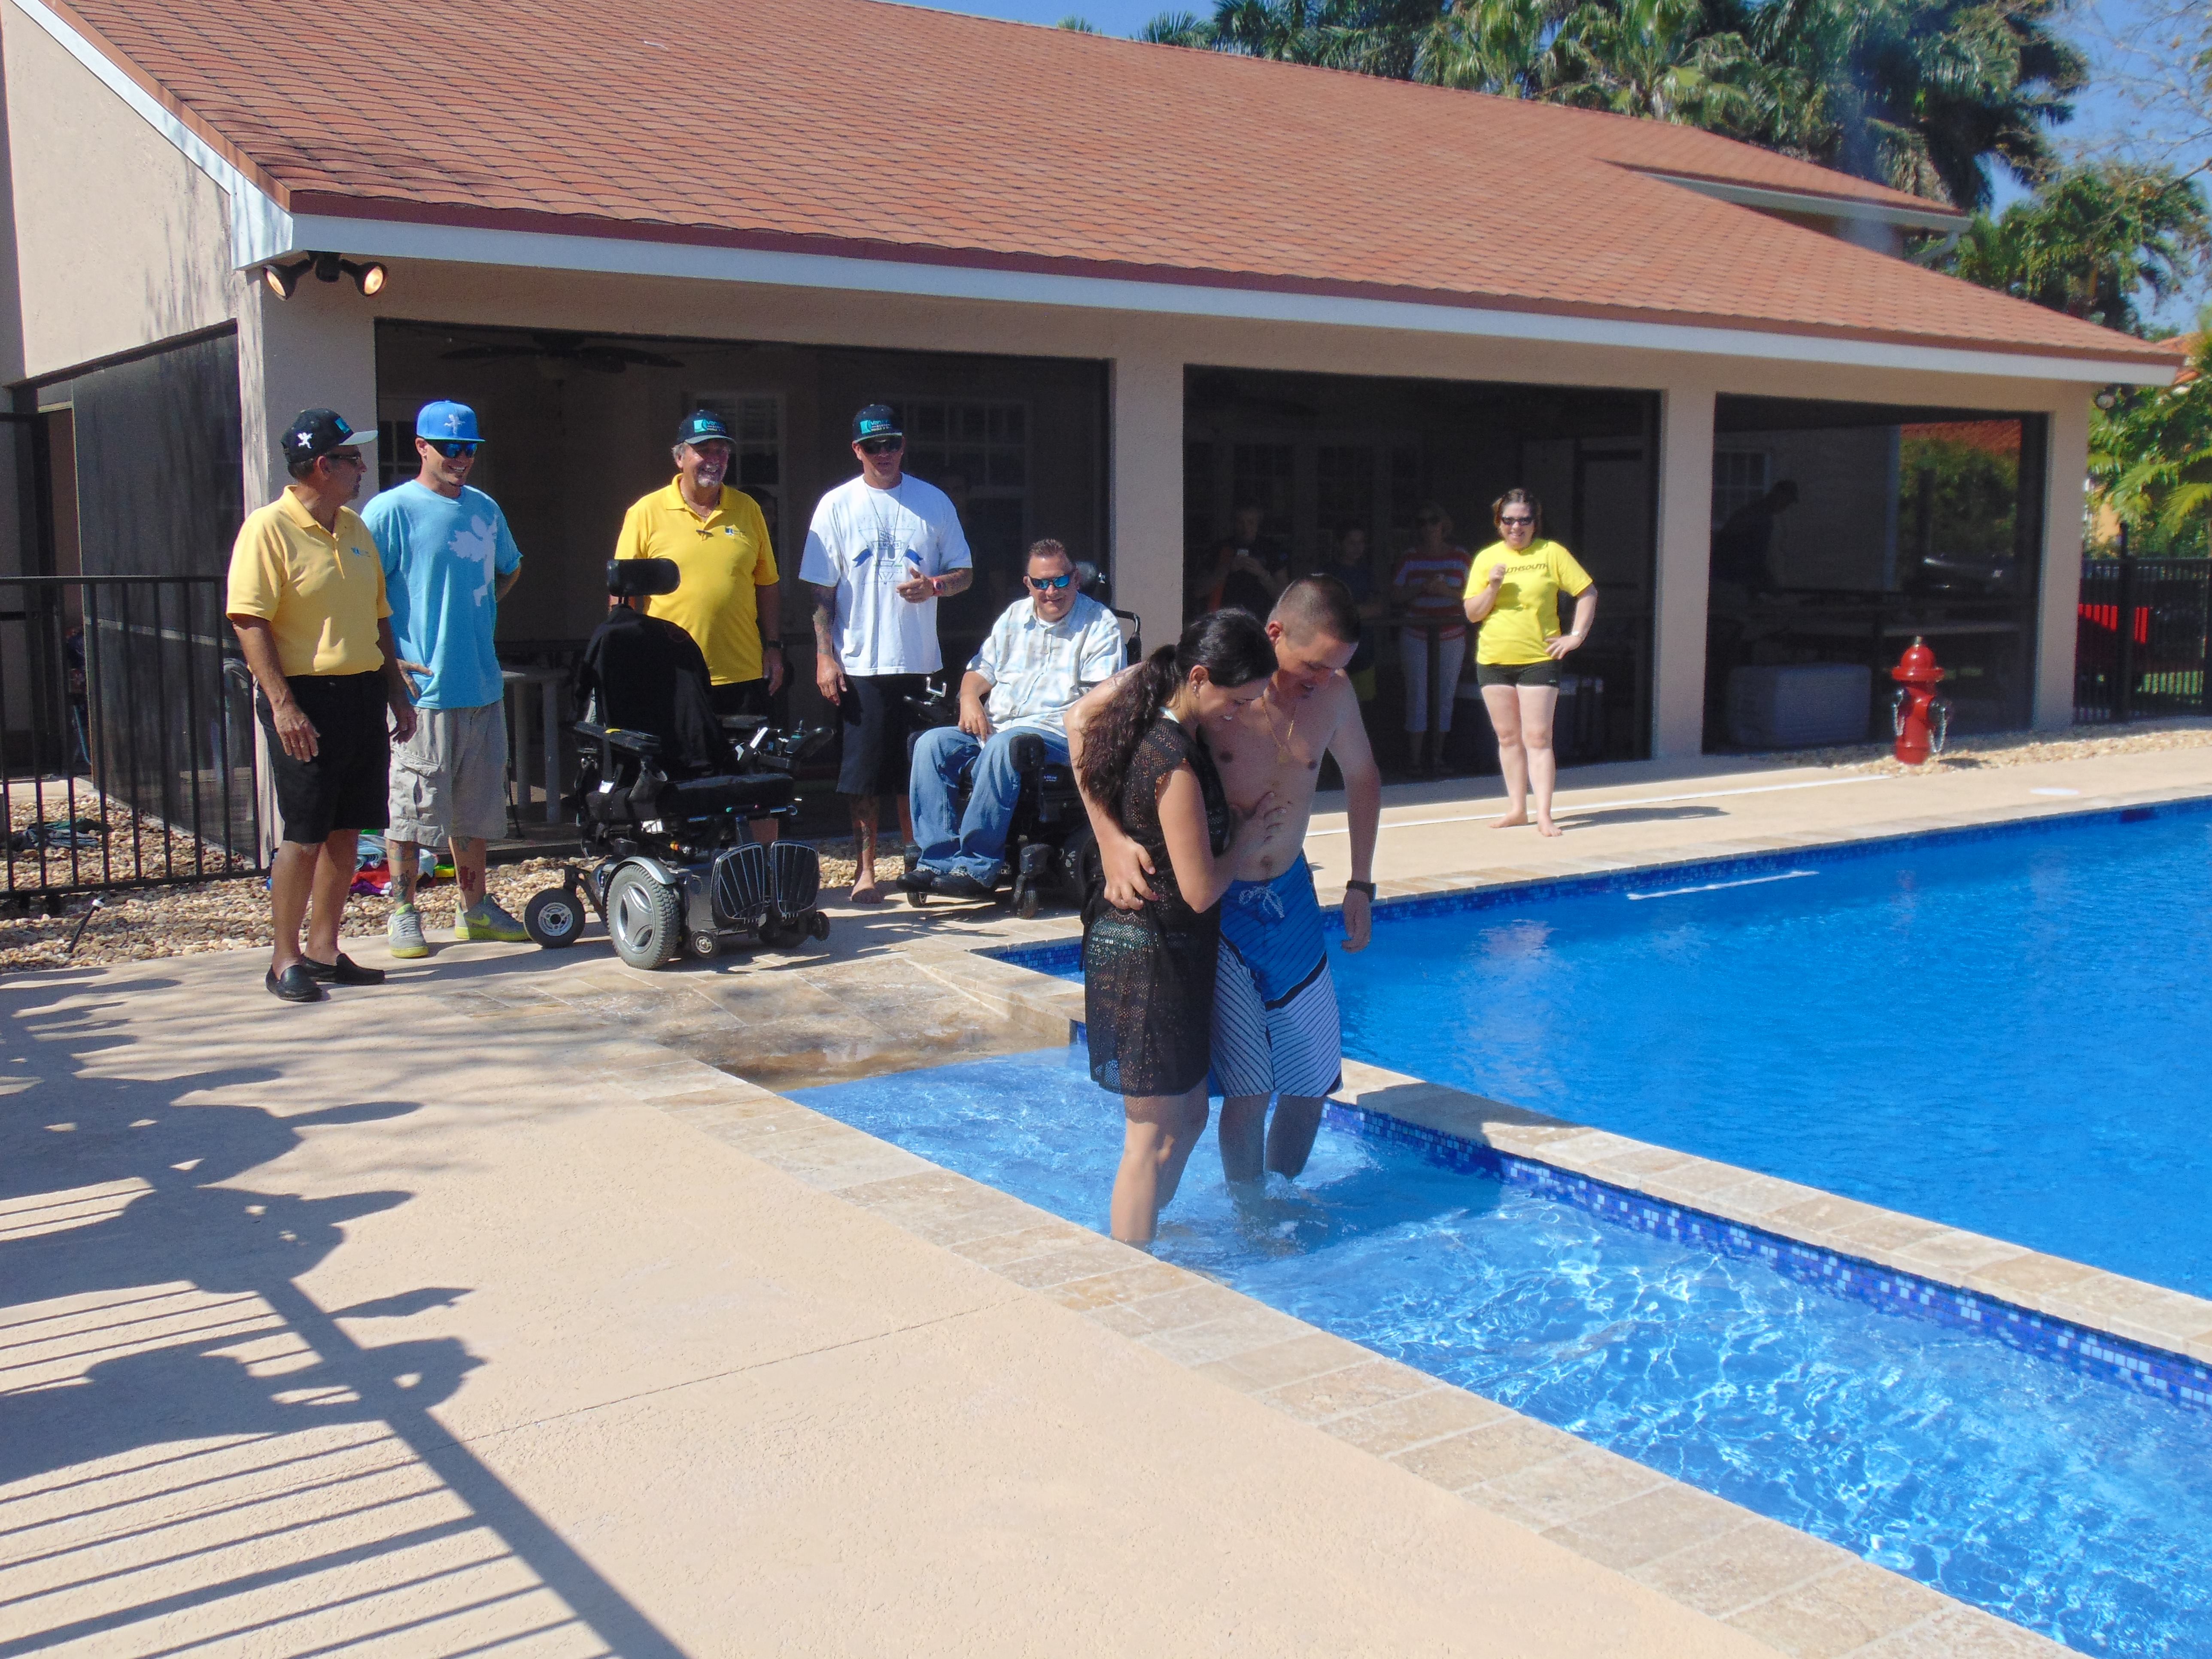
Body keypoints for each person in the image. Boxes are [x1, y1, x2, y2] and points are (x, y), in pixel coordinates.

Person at [1071, 577, 1382, 1191]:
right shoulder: (1215, 681)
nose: (1321, 679)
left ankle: (1281, 1193)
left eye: (1335, 668)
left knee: (1313, 1080)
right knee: (1249, 1087)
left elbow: (1364, 777)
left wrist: (1360, 882)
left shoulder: (1334, 694)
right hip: (1221, 904)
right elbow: (1079, 719)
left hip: (1290, 897)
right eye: (1313, 663)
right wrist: (1109, 839)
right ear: (1274, 635)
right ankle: (1252, 1214)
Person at [1073, 611, 1285, 1245]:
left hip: (1168, 955)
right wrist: (1244, 841)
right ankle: (1129, 1266)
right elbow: (1198, 890)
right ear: (1198, 677)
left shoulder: (1161, 725)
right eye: (1237, 699)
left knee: (1189, 1116)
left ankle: (1142, 1232)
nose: (1240, 713)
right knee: (1147, 1136)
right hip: (1148, 957)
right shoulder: (1173, 763)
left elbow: (1080, 720)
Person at [225, 410, 416, 1003]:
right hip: (305, 696)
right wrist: (283, 705)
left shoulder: (355, 528)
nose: (362, 467)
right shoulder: (269, 528)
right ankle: (283, 959)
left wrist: (394, 689)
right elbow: (249, 618)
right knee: (304, 835)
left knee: (346, 831)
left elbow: (380, 616)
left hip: (360, 691)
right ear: (320, 466)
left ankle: (324, 950)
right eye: (351, 458)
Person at [364, 400, 526, 958]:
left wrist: (478, 616)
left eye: (469, 449)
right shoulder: (389, 512)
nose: (461, 459)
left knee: (475, 808)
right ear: (421, 447)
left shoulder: (486, 509)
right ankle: (403, 912)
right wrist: (390, 661)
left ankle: (473, 908)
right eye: (450, 448)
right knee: (411, 809)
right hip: (420, 693)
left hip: (480, 684)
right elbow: (364, 592)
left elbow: (511, 566)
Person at [801, 404, 972, 902]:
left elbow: (965, 572)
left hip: (919, 661)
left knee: (917, 770)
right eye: (873, 446)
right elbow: (820, 591)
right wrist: (824, 656)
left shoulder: (934, 501)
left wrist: (936, 587)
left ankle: (917, 864)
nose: (884, 454)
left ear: (903, 445)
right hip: (861, 663)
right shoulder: (836, 505)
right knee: (863, 775)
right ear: (857, 450)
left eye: (892, 443)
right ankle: (865, 871)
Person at [908, 538, 1125, 897]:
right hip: (999, 726)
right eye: (1040, 583)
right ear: (1028, 584)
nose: (1050, 591)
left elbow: (1097, 702)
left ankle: (978, 865)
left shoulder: (1099, 623)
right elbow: (981, 671)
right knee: (931, 744)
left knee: (1007, 745)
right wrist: (968, 699)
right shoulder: (1014, 616)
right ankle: (937, 862)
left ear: (1075, 578)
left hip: (1057, 734)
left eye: (1059, 580)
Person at [615, 410, 786, 845]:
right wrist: (628, 659)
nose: (714, 458)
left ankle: (767, 869)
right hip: (672, 678)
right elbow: (622, 596)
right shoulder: (646, 512)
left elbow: (766, 584)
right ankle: (679, 863)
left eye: (721, 450)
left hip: (742, 670)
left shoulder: (747, 509)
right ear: (680, 457)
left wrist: (774, 647)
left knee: (756, 775)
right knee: (678, 777)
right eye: (703, 450)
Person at [1464, 488, 1598, 838]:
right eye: (1509, 520)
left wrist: (1576, 635)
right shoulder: (1486, 559)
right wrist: (1492, 587)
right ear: (1499, 523)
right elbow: (1472, 613)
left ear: (1535, 523)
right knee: (1508, 737)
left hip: (1539, 657)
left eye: (1524, 520)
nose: (1516, 527)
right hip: (1494, 659)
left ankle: (1544, 815)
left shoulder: (1551, 553)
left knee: (1538, 737)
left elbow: (1587, 592)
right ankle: (1517, 809)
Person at [1392, 505, 1471, 752]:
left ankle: (1437, 758)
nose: (1428, 527)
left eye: (1433, 521)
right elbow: (1395, 596)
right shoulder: (1410, 557)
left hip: (1451, 634)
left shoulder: (1461, 558)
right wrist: (1421, 588)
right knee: (1417, 695)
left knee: (1445, 695)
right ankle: (1416, 759)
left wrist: (1447, 592)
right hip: (1416, 634)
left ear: (1444, 524)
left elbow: (1477, 597)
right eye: (1422, 522)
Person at [1194, 503, 1288, 617]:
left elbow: (1284, 598)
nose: (1245, 528)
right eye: (1240, 522)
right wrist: (1227, 569)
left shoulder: (1271, 550)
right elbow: (1199, 592)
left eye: (1251, 523)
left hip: (1261, 620)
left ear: (1258, 524)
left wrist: (1262, 573)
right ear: (1233, 523)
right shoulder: (1220, 549)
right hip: (1225, 619)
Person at [1325, 522, 1384, 704]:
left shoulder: (1368, 572)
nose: (1358, 548)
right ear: (1339, 544)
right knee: (1331, 705)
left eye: (1361, 543)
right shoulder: (1327, 573)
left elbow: (1380, 607)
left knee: (1364, 707)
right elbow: (1325, 610)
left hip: (1363, 651)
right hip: (1332, 654)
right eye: (1352, 542)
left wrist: (1348, 611)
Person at [1710, 479, 1799, 596]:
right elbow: (1755, 560)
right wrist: (1772, 587)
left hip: (1727, 578)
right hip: (1730, 581)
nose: (1786, 506)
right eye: (1787, 501)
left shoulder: (1754, 512)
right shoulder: (1760, 518)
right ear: (1779, 495)